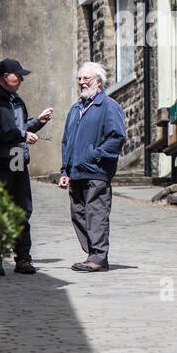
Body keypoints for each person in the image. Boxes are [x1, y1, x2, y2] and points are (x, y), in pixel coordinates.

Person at [0, 58, 53, 275]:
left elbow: (20, 128)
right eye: (17, 75)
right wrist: (21, 134)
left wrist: (38, 122)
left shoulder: (16, 100)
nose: (21, 79)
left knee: (22, 210)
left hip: (18, 159)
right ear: (4, 77)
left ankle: (23, 259)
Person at [59, 62, 126, 272]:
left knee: (95, 213)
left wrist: (96, 155)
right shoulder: (76, 108)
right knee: (78, 213)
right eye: (79, 79)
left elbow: (117, 137)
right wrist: (65, 170)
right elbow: (67, 141)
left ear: (98, 81)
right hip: (76, 171)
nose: (82, 82)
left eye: (86, 78)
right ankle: (94, 253)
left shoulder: (108, 106)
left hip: (97, 171)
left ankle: (98, 257)